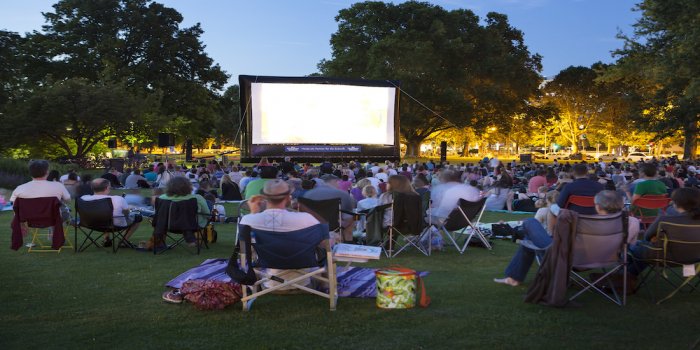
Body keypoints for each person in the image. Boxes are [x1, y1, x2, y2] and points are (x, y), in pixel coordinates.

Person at [495, 190, 640, 287]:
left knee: (530, 223)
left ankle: (514, 277)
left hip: (570, 259)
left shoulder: (585, 221)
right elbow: (629, 245)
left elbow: (565, 241)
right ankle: (514, 276)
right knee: (529, 238)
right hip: (609, 259)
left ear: (597, 206)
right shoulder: (632, 222)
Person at [241, 179, 321, 290]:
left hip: (268, 282)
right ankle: (326, 285)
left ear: (264, 197)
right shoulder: (307, 219)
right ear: (289, 197)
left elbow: (243, 249)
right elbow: (324, 244)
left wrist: (253, 212)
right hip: (304, 283)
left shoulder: (248, 220)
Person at [629, 187, 700, 276]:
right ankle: (627, 277)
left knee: (633, 247)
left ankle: (626, 278)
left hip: (664, 257)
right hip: (695, 258)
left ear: (676, 203)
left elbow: (647, 237)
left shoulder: (665, 220)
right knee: (641, 249)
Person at [80, 179, 142, 248]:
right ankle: (124, 241)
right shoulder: (118, 199)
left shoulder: (84, 198)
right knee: (137, 217)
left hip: (90, 224)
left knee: (103, 216)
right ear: (107, 188)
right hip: (115, 225)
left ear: (92, 188)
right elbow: (126, 213)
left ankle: (106, 239)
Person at [301, 174, 356, 242]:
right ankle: (347, 244)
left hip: (313, 226)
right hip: (335, 227)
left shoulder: (308, 194)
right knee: (353, 218)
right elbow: (348, 217)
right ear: (335, 181)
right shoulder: (342, 194)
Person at [158, 177, 211, 245]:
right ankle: (196, 239)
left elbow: (159, 214)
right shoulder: (197, 198)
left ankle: (160, 242)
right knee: (207, 208)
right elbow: (207, 214)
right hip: (193, 225)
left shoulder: (162, 198)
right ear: (188, 186)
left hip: (167, 225)